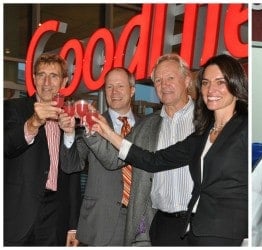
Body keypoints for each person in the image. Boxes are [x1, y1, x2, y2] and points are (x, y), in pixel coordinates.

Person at [91, 53, 248, 246]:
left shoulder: (241, 127)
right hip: (174, 228)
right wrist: (105, 131)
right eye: (206, 83)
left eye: (220, 82)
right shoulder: (203, 132)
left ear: (187, 80)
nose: (211, 89)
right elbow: (153, 161)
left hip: (223, 232)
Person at [82, 54, 196, 246]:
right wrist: (94, 131)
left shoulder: (205, 121)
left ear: (186, 80)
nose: (163, 84)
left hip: (200, 223)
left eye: (170, 78)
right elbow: (113, 160)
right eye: (158, 80)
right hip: (161, 224)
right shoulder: (147, 126)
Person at [4, 53, 81, 246]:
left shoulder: (71, 118)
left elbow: (72, 174)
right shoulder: (13, 108)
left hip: (56, 216)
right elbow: (5, 145)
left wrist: (73, 225)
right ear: (33, 78)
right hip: (17, 213)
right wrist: (32, 123)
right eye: (41, 75)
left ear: (64, 82)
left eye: (54, 76)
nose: (47, 82)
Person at [60, 67, 139, 245]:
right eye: (109, 87)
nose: (114, 92)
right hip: (100, 222)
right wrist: (69, 134)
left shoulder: (147, 126)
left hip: (140, 222)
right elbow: (71, 165)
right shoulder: (90, 124)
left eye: (120, 86)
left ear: (132, 90)